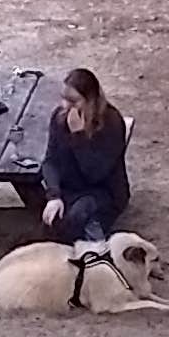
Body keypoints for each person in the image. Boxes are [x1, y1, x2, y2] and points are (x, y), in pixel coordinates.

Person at [39, 67, 132, 244]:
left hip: (104, 192)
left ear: (90, 100)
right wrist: (54, 196)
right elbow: (50, 161)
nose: (66, 106)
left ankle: (96, 249)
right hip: (71, 189)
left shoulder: (111, 123)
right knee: (54, 222)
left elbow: (96, 173)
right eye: (64, 99)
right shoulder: (59, 117)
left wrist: (78, 137)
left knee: (78, 216)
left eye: (74, 101)